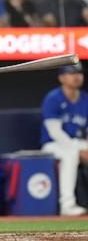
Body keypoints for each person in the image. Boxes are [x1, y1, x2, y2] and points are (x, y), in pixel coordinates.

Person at [40, 63, 88, 216]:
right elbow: (55, 132)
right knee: (70, 154)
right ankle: (67, 205)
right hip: (54, 145)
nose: (76, 76)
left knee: (76, 151)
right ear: (61, 77)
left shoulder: (85, 99)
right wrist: (78, 148)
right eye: (71, 73)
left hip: (79, 143)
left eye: (79, 73)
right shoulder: (53, 98)